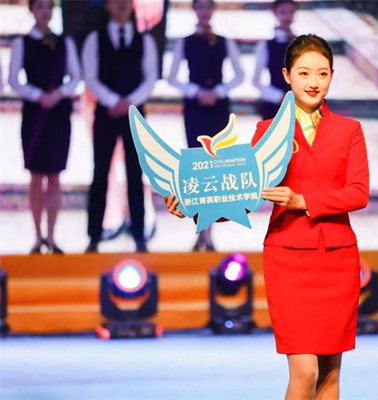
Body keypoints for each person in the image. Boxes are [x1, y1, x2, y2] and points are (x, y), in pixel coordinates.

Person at [165, 34, 369, 399]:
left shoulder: (349, 130)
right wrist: (196, 208)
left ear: (331, 76)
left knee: (329, 376)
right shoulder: (268, 131)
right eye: (304, 73)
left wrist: (303, 200)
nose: (313, 82)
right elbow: (245, 198)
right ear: (286, 76)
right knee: (305, 372)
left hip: (336, 259)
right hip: (288, 259)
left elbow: (358, 192)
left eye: (322, 73)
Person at [82, 0, 158, 253]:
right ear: (107, 6)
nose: (122, 4)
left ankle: (138, 234)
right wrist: (113, 102)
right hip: (106, 113)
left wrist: (129, 103)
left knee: (135, 173)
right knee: (100, 172)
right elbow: (90, 78)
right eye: (116, 1)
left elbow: (150, 78)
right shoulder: (95, 39)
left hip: (135, 116)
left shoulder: (145, 40)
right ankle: (94, 236)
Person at [167, 0, 243, 251]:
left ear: (213, 10)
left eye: (208, 7)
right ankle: (200, 229)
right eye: (200, 7)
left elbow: (239, 74)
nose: (204, 12)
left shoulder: (224, 41)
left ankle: (210, 233)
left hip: (218, 108)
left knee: (216, 169)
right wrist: (196, 91)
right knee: (197, 169)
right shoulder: (185, 42)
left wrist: (219, 91)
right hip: (195, 108)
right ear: (194, 10)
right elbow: (172, 77)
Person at [9, 0, 80, 254]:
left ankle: (51, 236)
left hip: (58, 113)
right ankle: (37, 236)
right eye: (40, 7)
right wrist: (37, 95)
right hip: (35, 113)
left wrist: (58, 94)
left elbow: (75, 77)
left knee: (55, 175)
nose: (45, 12)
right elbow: (13, 80)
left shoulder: (65, 42)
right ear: (32, 10)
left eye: (49, 7)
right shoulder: (22, 43)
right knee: (36, 174)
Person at [252, 0, 297, 120]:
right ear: (275, 13)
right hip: (274, 105)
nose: (287, 17)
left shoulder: (304, 44)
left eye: (291, 12)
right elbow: (256, 80)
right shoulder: (265, 45)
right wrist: (278, 97)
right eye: (283, 12)